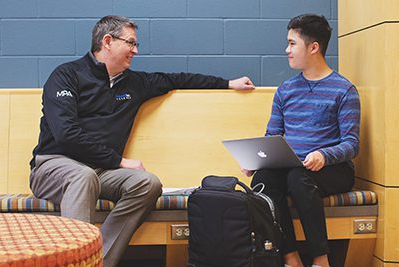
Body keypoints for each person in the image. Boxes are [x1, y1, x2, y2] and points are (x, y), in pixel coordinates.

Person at [29, 15, 255, 267]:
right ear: (107, 41)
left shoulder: (135, 83)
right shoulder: (66, 75)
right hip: (54, 166)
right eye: (131, 43)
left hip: (101, 172)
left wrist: (228, 84)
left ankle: (96, 261)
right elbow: (66, 135)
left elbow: (178, 79)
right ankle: (74, 260)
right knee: (83, 176)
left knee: (148, 183)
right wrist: (120, 161)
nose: (135, 51)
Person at [241, 14, 360, 267]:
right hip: (294, 167)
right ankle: (290, 257)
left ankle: (320, 259)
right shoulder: (286, 90)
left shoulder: (344, 90)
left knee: (298, 177)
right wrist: (257, 160)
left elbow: (352, 143)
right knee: (263, 181)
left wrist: (323, 155)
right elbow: (272, 136)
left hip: (332, 169)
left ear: (313, 47)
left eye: (292, 43)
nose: (287, 50)